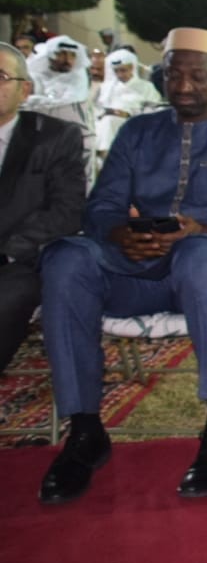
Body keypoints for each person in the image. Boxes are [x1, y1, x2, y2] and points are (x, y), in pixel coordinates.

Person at [37, 27, 207, 504]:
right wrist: (119, 233)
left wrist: (206, 229)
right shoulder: (138, 131)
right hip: (135, 271)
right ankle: (85, 431)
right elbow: (102, 205)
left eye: (197, 75)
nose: (184, 86)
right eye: (174, 75)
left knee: (198, 256)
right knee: (66, 258)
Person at [0, 42, 85, 372]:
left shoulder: (55, 137)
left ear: (25, 90)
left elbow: (67, 210)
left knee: (8, 296)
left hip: (19, 261)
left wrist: (7, 252)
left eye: (0, 76)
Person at [95, 49, 162, 154]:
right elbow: (96, 109)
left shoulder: (146, 87)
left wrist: (127, 114)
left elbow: (154, 111)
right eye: (116, 71)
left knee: (110, 121)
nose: (120, 74)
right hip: (106, 124)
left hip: (134, 124)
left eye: (123, 70)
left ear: (132, 68)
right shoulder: (107, 88)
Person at [27, 35, 91, 104]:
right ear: (51, 56)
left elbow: (69, 103)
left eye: (72, 55)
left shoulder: (78, 76)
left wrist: (36, 100)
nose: (68, 60)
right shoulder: (36, 73)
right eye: (62, 54)